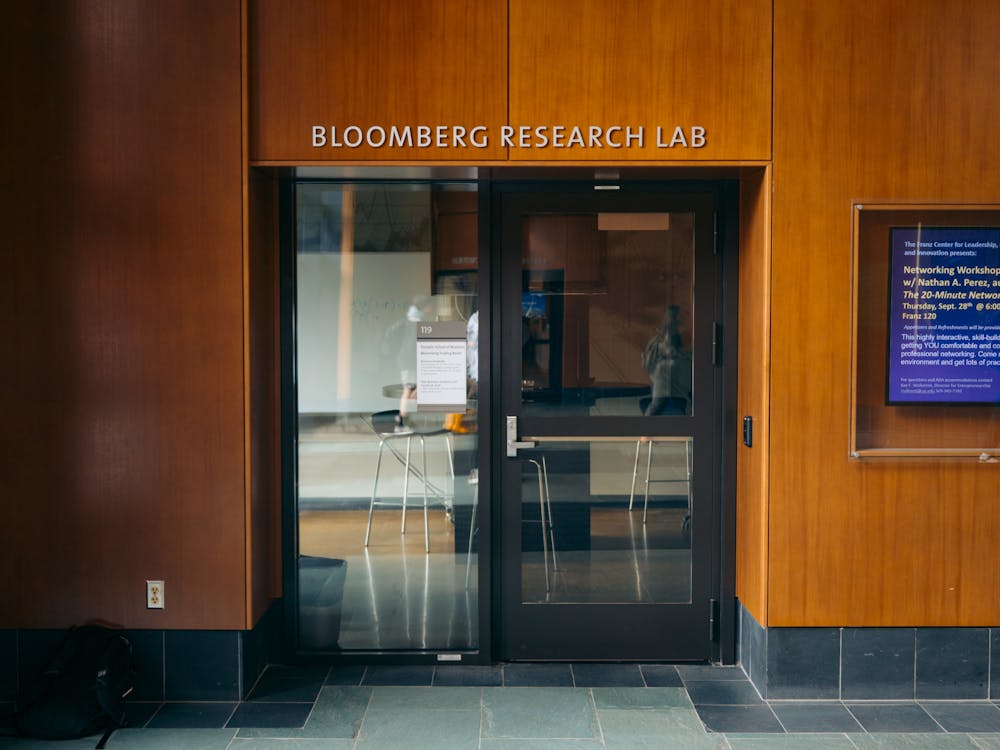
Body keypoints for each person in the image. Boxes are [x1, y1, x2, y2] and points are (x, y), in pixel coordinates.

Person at [641, 304, 692, 415]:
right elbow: (650, 359)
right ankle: (645, 430)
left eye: (675, 316)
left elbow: (685, 352)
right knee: (656, 406)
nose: (674, 320)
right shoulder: (659, 339)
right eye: (671, 316)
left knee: (682, 407)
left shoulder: (683, 334)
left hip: (679, 384)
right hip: (663, 384)